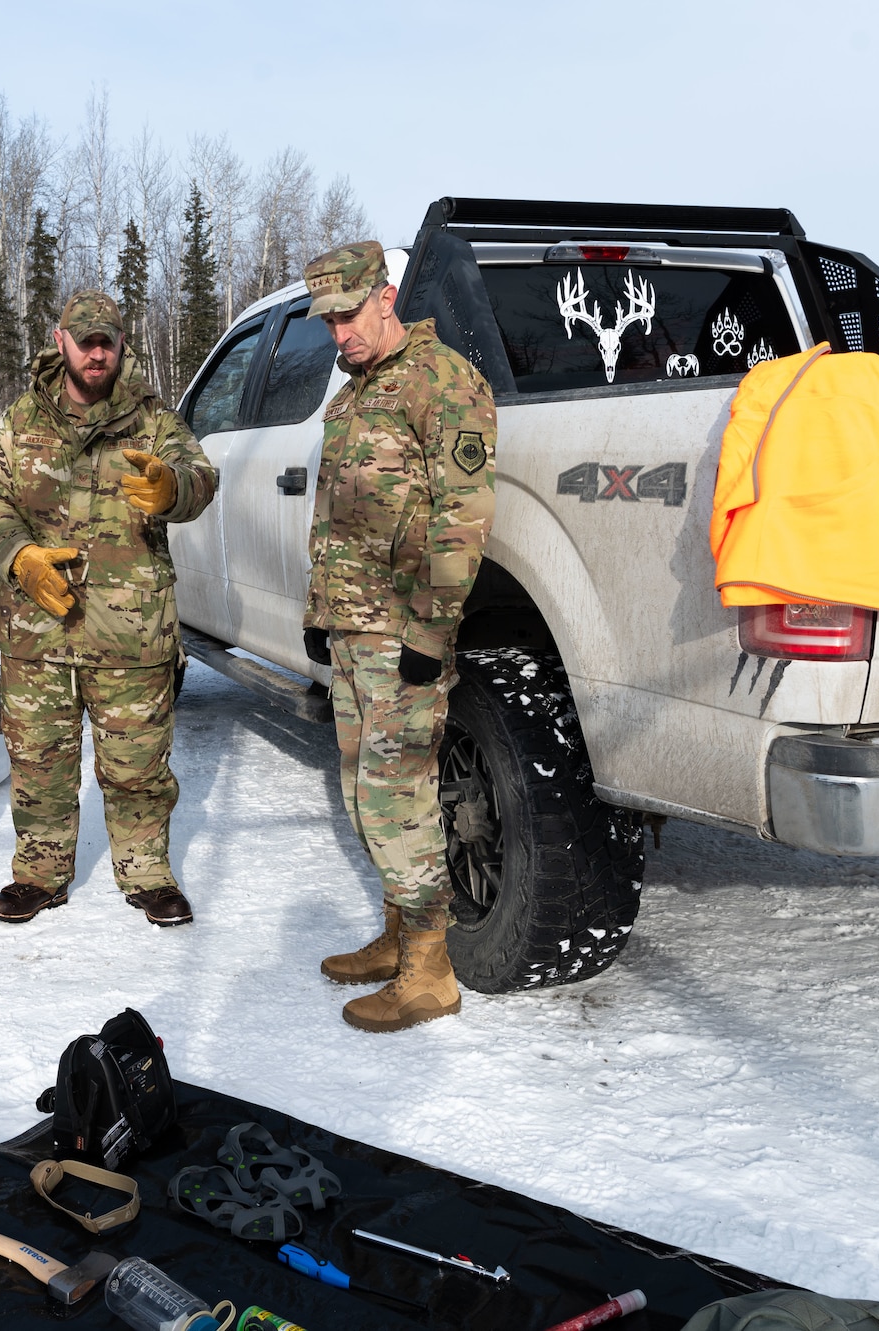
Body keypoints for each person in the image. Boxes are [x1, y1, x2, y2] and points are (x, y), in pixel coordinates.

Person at [0, 291, 216, 927]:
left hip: (130, 631)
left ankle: (147, 872)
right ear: (61, 341)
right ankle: (39, 874)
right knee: (39, 763)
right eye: (85, 340)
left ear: (121, 344)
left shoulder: (151, 419)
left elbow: (200, 478)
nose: (96, 351)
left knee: (137, 765)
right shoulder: (22, 421)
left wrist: (172, 487)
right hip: (36, 628)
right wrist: (18, 554)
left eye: (107, 340)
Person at [301, 241, 496, 1033]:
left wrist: (429, 627)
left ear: (386, 297)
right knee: (363, 793)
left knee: (397, 794)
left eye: (349, 314)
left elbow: (463, 518)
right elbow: (334, 518)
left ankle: (431, 969)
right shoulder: (353, 396)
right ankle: (396, 934)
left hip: (403, 632)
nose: (338, 332)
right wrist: (321, 615)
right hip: (353, 629)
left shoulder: (441, 380)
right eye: (328, 321)